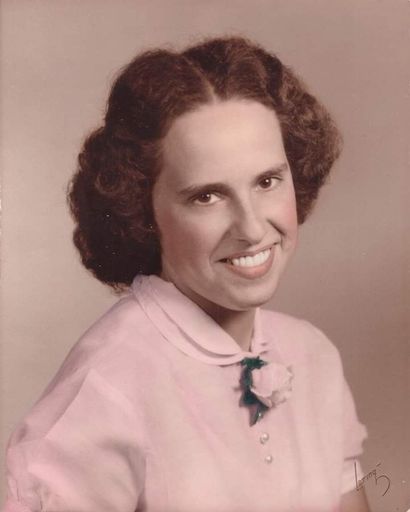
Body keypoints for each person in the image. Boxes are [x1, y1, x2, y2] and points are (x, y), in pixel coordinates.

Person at [2, 36, 370, 511]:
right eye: (207, 196)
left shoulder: (313, 355)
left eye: (266, 181)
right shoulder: (106, 386)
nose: (252, 228)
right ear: (142, 211)